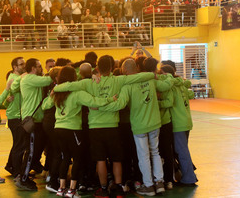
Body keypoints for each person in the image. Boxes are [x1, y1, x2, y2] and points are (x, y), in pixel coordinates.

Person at [53, 55, 155, 198]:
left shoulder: (88, 83)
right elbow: (139, 77)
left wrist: (55, 89)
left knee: (100, 159)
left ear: (97, 68)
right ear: (112, 68)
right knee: (116, 158)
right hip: (113, 126)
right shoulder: (119, 80)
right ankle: (119, 187)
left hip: (95, 128)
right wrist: (153, 74)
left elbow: (68, 85)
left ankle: (103, 188)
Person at [98, 58, 172, 196]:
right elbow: (166, 86)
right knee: (155, 152)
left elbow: (120, 104)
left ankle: (149, 186)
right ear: (136, 68)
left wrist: (102, 106)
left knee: (143, 156)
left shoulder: (127, 86)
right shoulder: (150, 79)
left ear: (124, 70)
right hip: (155, 122)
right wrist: (168, 75)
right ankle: (159, 183)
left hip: (139, 126)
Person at [42, 66, 116, 198]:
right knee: (77, 159)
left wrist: (51, 95)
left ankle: (61, 188)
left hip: (58, 128)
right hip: (72, 130)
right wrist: (110, 99)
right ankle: (72, 190)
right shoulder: (77, 93)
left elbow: (45, 106)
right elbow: (94, 101)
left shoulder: (57, 93)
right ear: (73, 78)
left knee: (65, 158)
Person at [15, 58, 53, 190]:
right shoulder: (29, 79)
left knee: (35, 151)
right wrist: (55, 71)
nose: (41, 68)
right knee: (31, 152)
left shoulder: (32, 78)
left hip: (37, 121)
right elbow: (48, 80)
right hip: (32, 121)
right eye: (39, 66)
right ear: (32, 68)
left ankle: (25, 174)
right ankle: (23, 179)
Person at [4, 57, 26, 179]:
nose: (24, 66)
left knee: (18, 144)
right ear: (15, 67)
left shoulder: (19, 77)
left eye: (24, 63)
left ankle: (11, 165)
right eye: (21, 64)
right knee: (20, 145)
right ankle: (17, 172)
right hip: (16, 116)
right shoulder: (14, 79)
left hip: (19, 115)